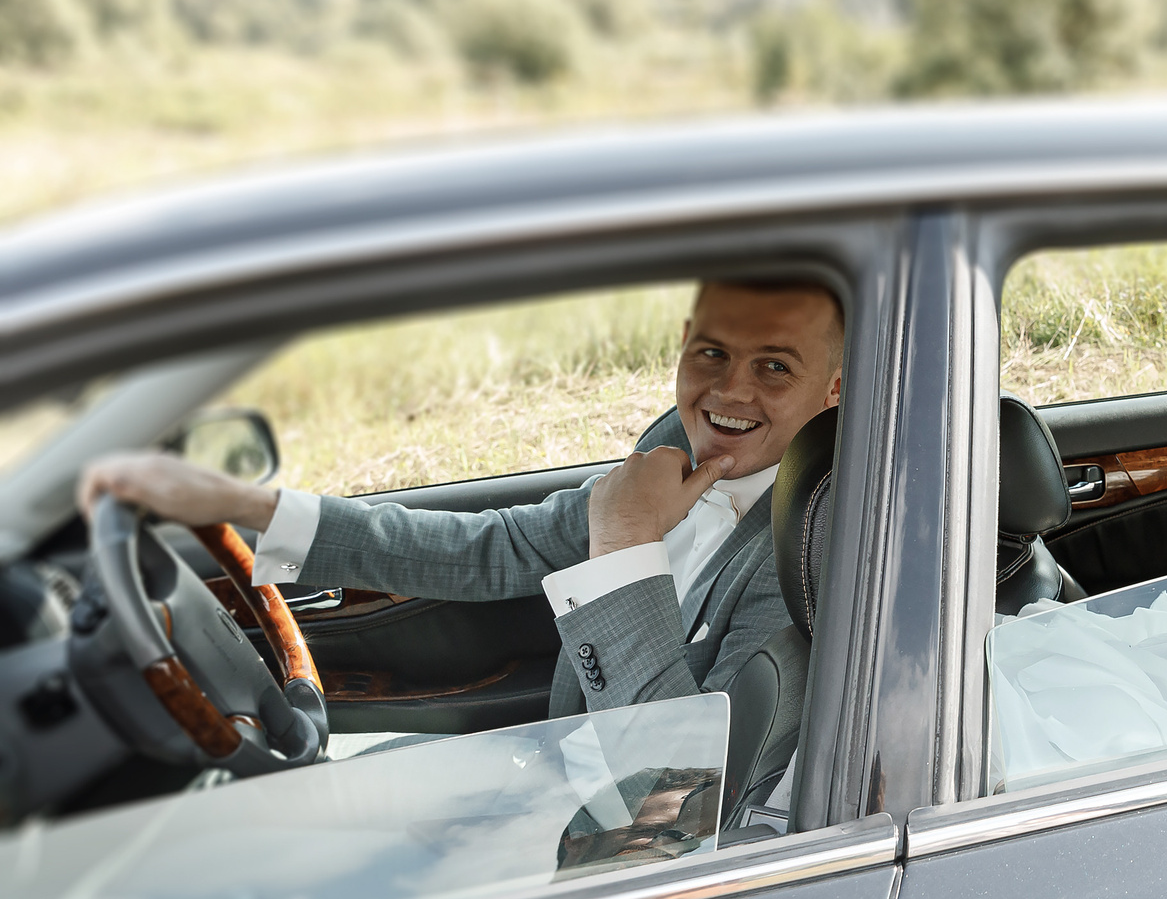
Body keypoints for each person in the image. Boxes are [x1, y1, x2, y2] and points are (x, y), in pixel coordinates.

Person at [75, 278, 844, 721]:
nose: (729, 389)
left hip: (630, 857)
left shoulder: (811, 548)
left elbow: (671, 797)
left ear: (836, 386)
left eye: (775, 367)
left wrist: (625, 542)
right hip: (558, 780)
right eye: (710, 352)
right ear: (681, 339)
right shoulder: (666, 445)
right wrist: (238, 500)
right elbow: (487, 548)